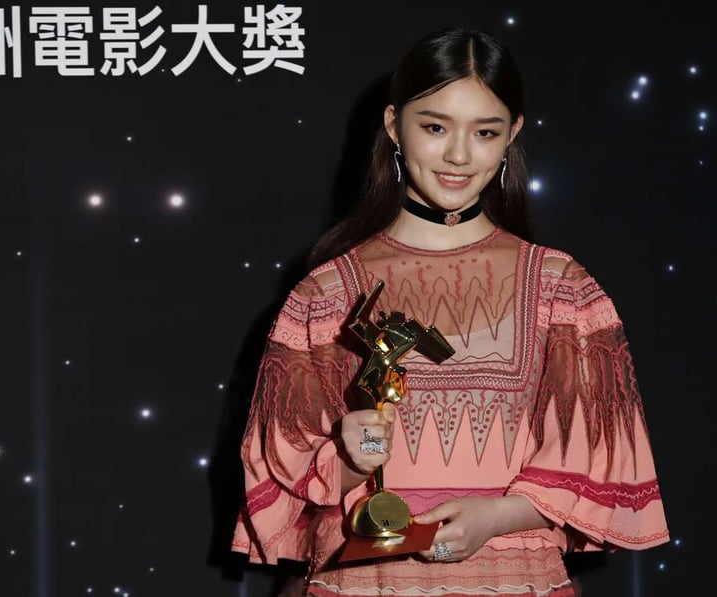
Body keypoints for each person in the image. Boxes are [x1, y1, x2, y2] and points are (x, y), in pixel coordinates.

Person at [231, 27, 669, 597]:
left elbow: (600, 463)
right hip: (365, 582)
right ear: (394, 125)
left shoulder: (563, 289)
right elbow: (282, 482)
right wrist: (349, 457)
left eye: (485, 132)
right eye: (435, 127)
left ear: (512, 134)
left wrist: (500, 516)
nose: (459, 155)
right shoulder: (326, 293)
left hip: (516, 581)